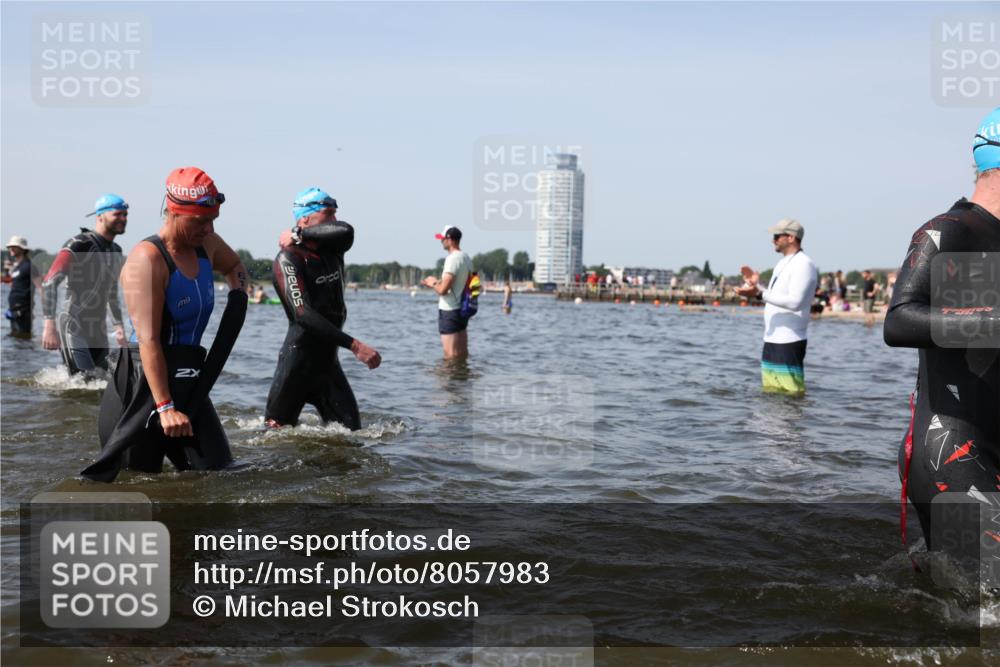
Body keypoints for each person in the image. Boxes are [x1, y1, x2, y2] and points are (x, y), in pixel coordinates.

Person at [83, 167, 249, 482]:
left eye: (213, 219)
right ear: (173, 212)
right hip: (142, 389)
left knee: (221, 477)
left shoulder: (208, 245)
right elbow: (148, 341)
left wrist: (238, 292)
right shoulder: (147, 260)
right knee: (138, 487)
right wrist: (165, 406)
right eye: (200, 221)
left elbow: (235, 266)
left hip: (189, 381)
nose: (209, 228)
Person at [884, 107, 1000, 555]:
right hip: (953, 449)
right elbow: (900, 320)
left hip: (991, 444)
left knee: (964, 592)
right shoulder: (951, 232)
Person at [264, 187, 381, 429]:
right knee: (275, 439)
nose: (334, 219)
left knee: (353, 436)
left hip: (328, 366)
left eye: (335, 213)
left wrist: (297, 233)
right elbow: (302, 314)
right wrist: (354, 345)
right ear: (306, 217)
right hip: (297, 366)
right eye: (328, 214)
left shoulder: (334, 249)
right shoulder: (289, 259)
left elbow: (346, 230)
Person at [41, 194, 128, 375]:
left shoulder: (116, 251)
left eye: (125, 214)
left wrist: (118, 326)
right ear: (100, 216)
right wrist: (49, 326)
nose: (123, 218)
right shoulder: (79, 244)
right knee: (81, 382)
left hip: (98, 330)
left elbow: (111, 291)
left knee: (103, 382)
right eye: (117, 214)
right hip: (73, 326)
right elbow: (49, 282)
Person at [736, 218, 818, 395]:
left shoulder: (803, 264)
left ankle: (795, 415)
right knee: (770, 394)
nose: (772, 240)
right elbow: (775, 297)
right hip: (772, 338)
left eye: (777, 236)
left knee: (791, 395)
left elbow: (795, 302)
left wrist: (759, 294)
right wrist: (755, 287)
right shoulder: (782, 263)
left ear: (791, 238)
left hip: (789, 340)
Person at [422, 226, 473, 359]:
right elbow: (459, 282)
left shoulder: (452, 259)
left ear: (450, 240)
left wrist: (432, 283)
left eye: (442, 239)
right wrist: (438, 281)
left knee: (450, 356)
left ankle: (449, 374)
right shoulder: (466, 258)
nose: (441, 241)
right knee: (462, 354)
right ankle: (462, 373)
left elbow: (443, 290)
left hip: (450, 311)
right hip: (463, 309)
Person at [4, 236, 41, 339]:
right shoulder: (17, 267)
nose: (10, 248)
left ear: (22, 249)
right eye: (10, 246)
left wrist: (47, 315)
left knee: (24, 340)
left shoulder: (29, 266)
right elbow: (17, 285)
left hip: (24, 312)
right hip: (13, 311)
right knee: (14, 340)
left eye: (14, 246)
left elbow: (41, 287)